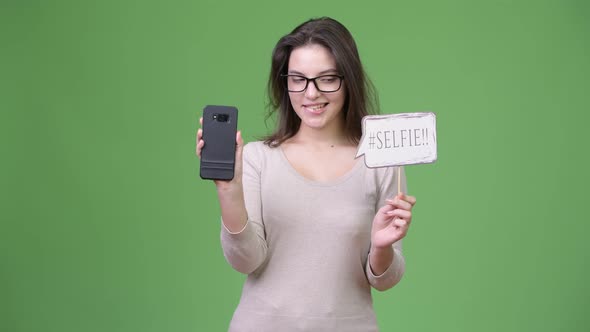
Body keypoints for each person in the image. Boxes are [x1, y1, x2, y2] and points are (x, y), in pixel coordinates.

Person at [196, 16, 417, 332]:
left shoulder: (381, 161)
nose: (310, 93)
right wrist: (228, 190)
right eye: (297, 78)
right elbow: (245, 260)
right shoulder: (258, 158)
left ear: (348, 79)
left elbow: (385, 280)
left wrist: (381, 246)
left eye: (326, 78)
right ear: (284, 81)